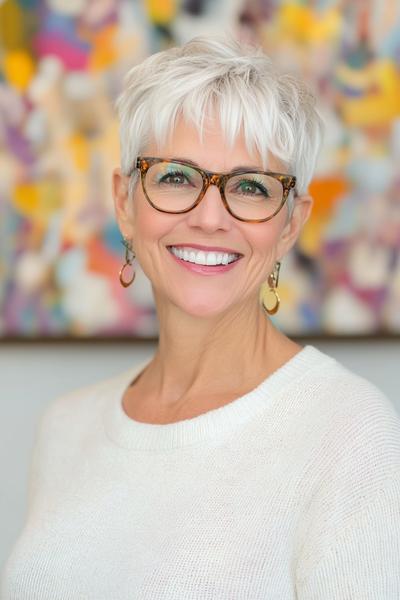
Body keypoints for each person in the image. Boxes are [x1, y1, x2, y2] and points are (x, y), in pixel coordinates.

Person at [2, 35, 400, 600]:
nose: (210, 217)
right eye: (175, 177)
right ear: (124, 202)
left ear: (290, 224)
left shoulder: (352, 434)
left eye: (251, 187)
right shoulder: (64, 426)